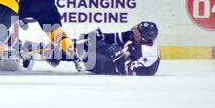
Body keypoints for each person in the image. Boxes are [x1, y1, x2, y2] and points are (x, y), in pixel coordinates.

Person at [32, 21, 160, 76]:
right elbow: (116, 38)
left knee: (83, 53)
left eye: (138, 32)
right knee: (86, 41)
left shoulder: (148, 54)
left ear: (144, 38)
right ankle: (46, 51)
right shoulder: (136, 37)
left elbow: (130, 70)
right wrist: (101, 37)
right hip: (115, 58)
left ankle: (42, 54)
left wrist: (118, 55)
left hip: (111, 67)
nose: (134, 31)